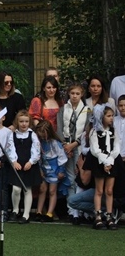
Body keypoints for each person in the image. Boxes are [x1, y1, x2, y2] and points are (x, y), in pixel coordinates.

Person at [82, 104, 123, 230]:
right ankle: (98, 217)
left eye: (112, 116)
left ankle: (109, 216)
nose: (111, 118)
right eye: (108, 116)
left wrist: (110, 161)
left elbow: (117, 147)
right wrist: (105, 162)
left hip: (111, 162)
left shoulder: (113, 131)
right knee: (99, 190)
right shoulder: (95, 131)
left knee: (109, 190)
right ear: (101, 117)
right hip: (99, 163)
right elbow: (95, 149)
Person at [56, 82, 90, 221]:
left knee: (79, 177)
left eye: (77, 94)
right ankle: (72, 211)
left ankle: (81, 210)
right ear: (68, 94)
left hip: (79, 147)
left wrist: (74, 144)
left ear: (82, 95)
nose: (75, 96)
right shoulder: (63, 109)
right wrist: (66, 145)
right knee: (70, 178)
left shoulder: (87, 110)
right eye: (72, 93)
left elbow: (87, 130)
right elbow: (59, 129)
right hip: (65, 147)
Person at [8, 110, 41, 223]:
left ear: (29, 122)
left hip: (29, 165)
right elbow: (10, 149)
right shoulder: (13, 135)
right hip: (17, 165)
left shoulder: (32, 135)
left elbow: (36, 150)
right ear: (17, 122)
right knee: (16, 189)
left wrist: (31, 162)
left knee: (27, 189)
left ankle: (26, 214)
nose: (24, 124)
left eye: (26, 121)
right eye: (21, 121)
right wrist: (14, 161)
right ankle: (15, 210)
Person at [34, 120, 67, 222]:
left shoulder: (55, 143)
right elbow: (38, 157)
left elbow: (62, 157)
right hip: (44, 168)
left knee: (52, 191)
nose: (41, 135)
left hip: (54, 169)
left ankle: (49, 213)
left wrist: (61, 170)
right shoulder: (38, 143)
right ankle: (39, 211)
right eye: (40, 133)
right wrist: (40, 169)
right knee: (42, 189)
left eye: (43, 133)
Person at [116, 95, 125, 162]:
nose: (123, 108)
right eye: (121, 105)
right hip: (115, 157)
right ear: (117, 107)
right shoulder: (113, 121)